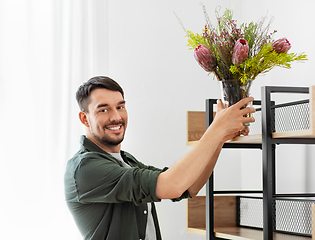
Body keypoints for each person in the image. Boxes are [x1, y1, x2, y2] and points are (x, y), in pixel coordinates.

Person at [64, 76, 255, 240]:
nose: (116, 117)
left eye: (120, 106)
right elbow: (172, 185)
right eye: (103, 110)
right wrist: (217, 129)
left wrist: (220, 138)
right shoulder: (85, 168)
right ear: (84, 118)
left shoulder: (125, 161)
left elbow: (188, 186)